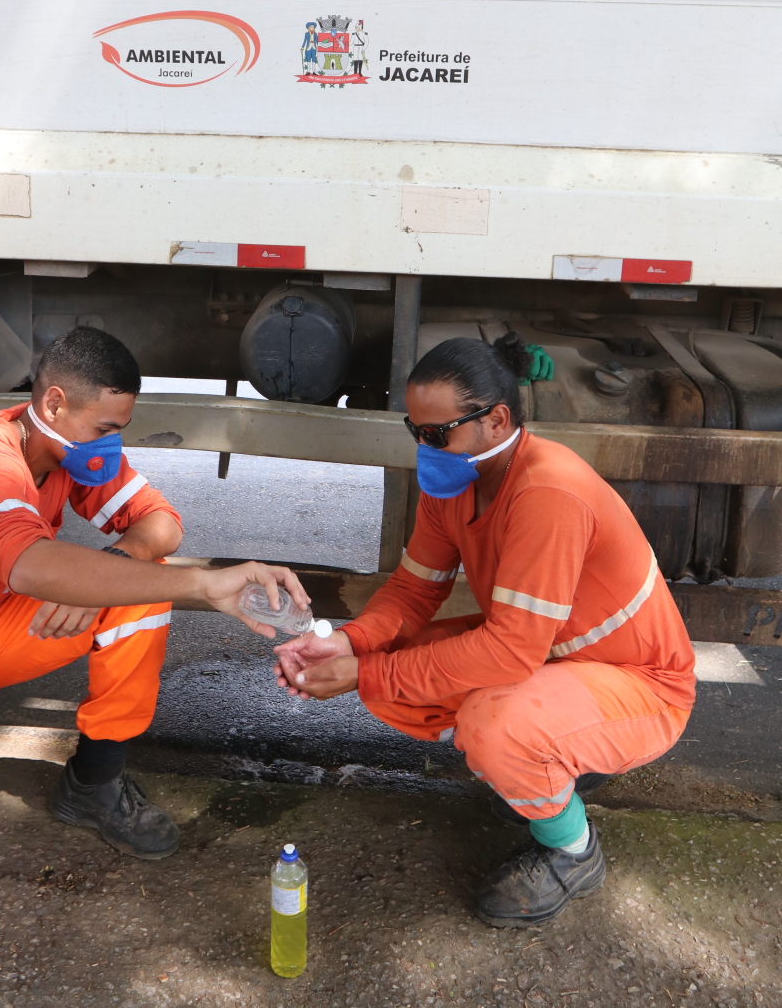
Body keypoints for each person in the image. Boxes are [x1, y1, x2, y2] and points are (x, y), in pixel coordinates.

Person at [274, 333, 695, 927]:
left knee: (493, 725)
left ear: (496, 420)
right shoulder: (456, 484)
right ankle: (545, 764)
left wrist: (367, 671)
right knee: (396, 668)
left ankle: (573, 850)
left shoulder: (548, 491)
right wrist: (348, 643)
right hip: (552, 660)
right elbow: (414, 589)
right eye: (416, 431)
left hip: (643, 686)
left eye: (437, 433)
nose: (425, 447)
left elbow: (511, 651)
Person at [0, 326, 307, 857]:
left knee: (139, 587)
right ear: (54, 404)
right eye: (105, 428)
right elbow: (28, 565)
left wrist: (113, 566)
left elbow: (162, 522)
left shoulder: (68, 451)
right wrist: (204, 584)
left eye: (119, 429)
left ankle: (93, 783)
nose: (111, 443)